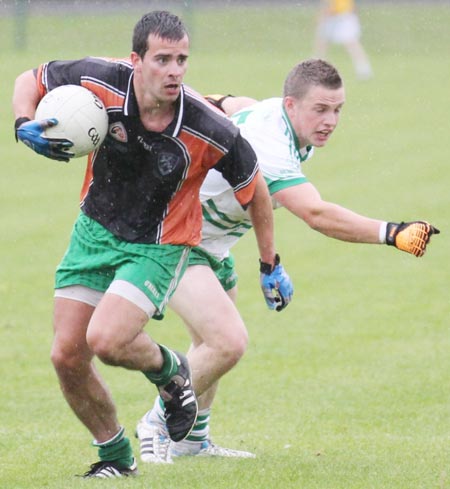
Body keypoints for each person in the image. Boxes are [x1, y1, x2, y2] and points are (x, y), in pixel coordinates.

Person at [12, 10, 291, 479]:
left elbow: (256, 189)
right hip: (95, 231)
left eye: (182, 59)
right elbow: (31, 77)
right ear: (136, 60)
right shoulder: (101, 80)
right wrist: (23, 123)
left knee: (107, 340)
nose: (175, 70)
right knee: (66, 355)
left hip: (160, 245)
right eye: (163, 59)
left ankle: (171, 373)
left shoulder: (208, 127)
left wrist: (269, 263)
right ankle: (116, 456)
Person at [136, 58, 440, 463]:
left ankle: (192, 440)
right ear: (291, 105)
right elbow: (316, 214)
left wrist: (214, 99)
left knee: (208, 343)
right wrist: (392, 232)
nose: (330, 120)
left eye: (338, 110)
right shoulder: (274, 145)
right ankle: (156, 424)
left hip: (210, 243)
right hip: (173, 237)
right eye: (320, 109)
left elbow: (232, 104)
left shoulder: (277, 116)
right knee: (226, 343)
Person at [314, 0, 373, 80]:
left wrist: (324, 14)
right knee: (322, 42)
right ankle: (315, 67)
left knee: (351, 43)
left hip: (343, 15)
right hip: (333, 16)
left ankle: (364, 69)